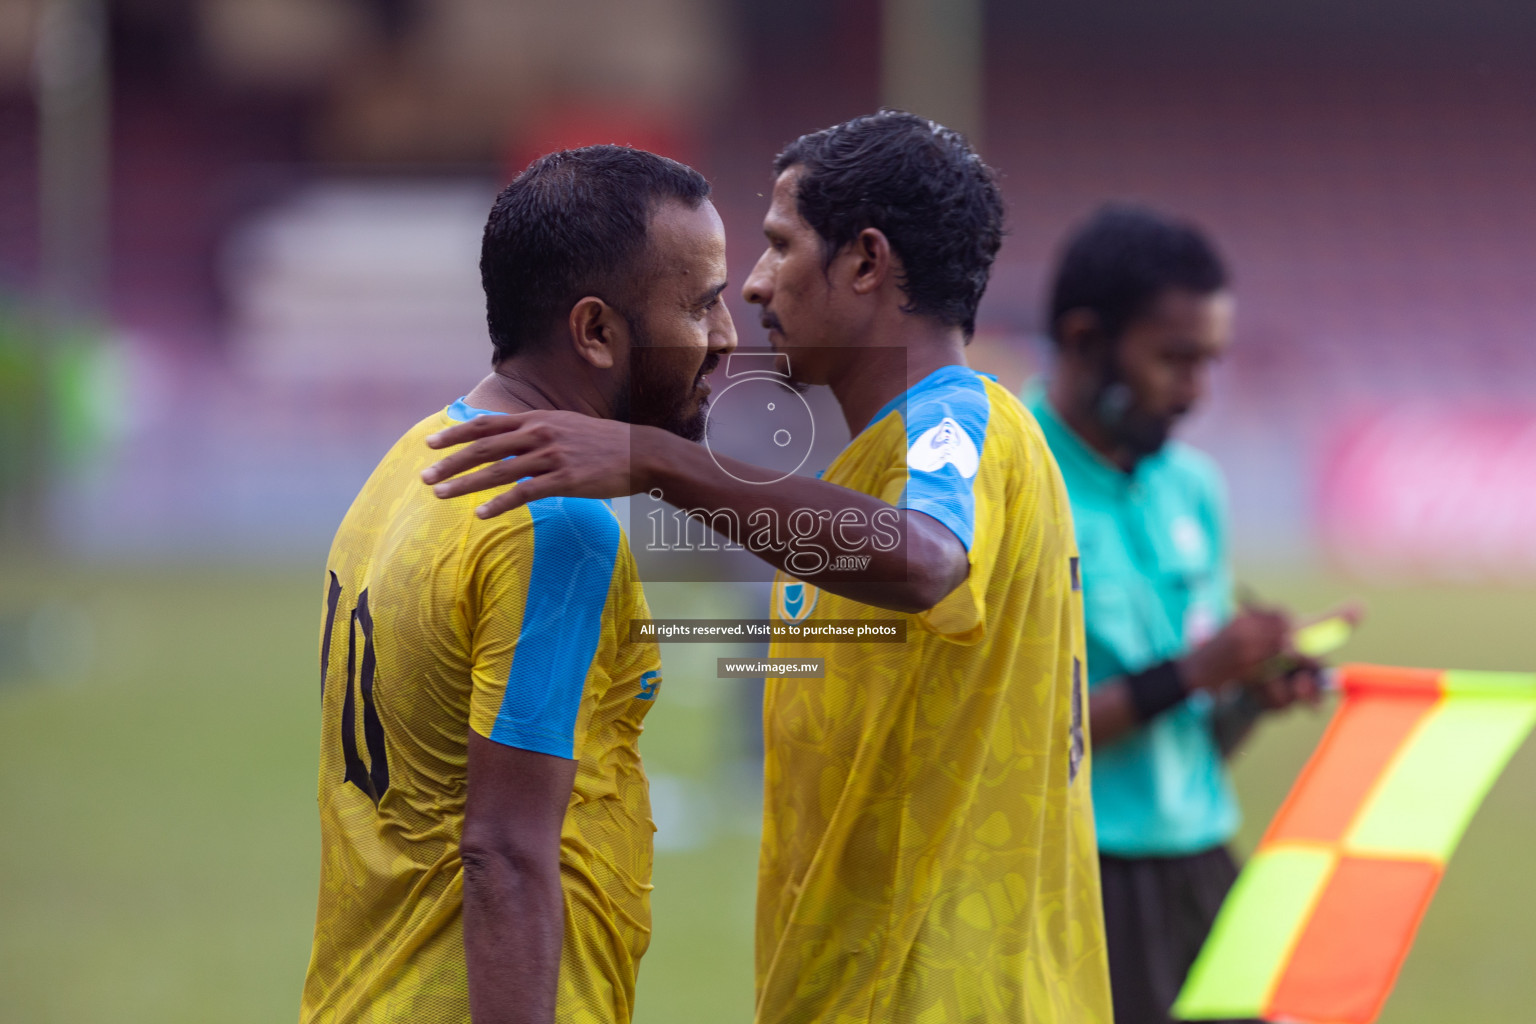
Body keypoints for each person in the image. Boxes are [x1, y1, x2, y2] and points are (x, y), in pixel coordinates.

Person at [421, 111, 1114, 1024]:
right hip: (865, 982)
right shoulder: (864, 461)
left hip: (947, 987)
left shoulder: (959, 422)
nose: (751, 286)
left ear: (866, 264)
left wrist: (653, 460)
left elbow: (927, 560)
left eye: (780, 246)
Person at [300, 145, 736, 1024]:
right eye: (699, 305)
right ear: (596, 332)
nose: (726, 337)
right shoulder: (558, 525)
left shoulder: (418, 456)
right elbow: (504, 852)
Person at [1022, 203, 1320, 1024]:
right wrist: (1195, 671)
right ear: (1084, 339)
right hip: (1077, 878)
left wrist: (1249, 694)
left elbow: (1197, 744)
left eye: (1209, 362)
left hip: (1202, 862)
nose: (1196, 392)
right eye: (1175, 360)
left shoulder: (1194, 487)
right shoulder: (1009, 484)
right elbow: (1023, 744)